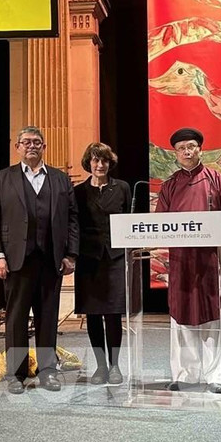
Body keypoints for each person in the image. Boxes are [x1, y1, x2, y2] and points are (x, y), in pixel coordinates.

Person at [0, 126, 79, 394]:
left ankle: (48, 370)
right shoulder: (3, 178)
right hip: (16, 260)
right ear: (17, 147)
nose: (32, 146)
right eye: (26, 142)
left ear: (44, 147)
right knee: (15, 317)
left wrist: (71, 254)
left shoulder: (61, 179)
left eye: (37, 142)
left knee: (48, 317)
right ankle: (16, 373)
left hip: (51, 260)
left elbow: (73, 219)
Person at [155, 127, 221, 392]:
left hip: (210, 260)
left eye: (191, 147)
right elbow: (159, 222)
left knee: (214, 319)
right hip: (180, 262)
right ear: (176, 154)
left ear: (200, 149)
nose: (187, 152)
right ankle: (185, 374)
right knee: (181, 320)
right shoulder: (169, 185)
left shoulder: (216, 179)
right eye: (181, 149)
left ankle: (216, 376)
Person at [74, 142, 131, 385]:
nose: (100, 165)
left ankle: (115, 366)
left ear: (110, 163)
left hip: (115, 258)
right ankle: (100, 366)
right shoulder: (77, 192)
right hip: (88, 259)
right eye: (96, 160)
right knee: (93, 314)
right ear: (89, 163)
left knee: (113, 314)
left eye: (104, 161)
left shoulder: (123, 188)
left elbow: (130, 219)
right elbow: (73, 226)